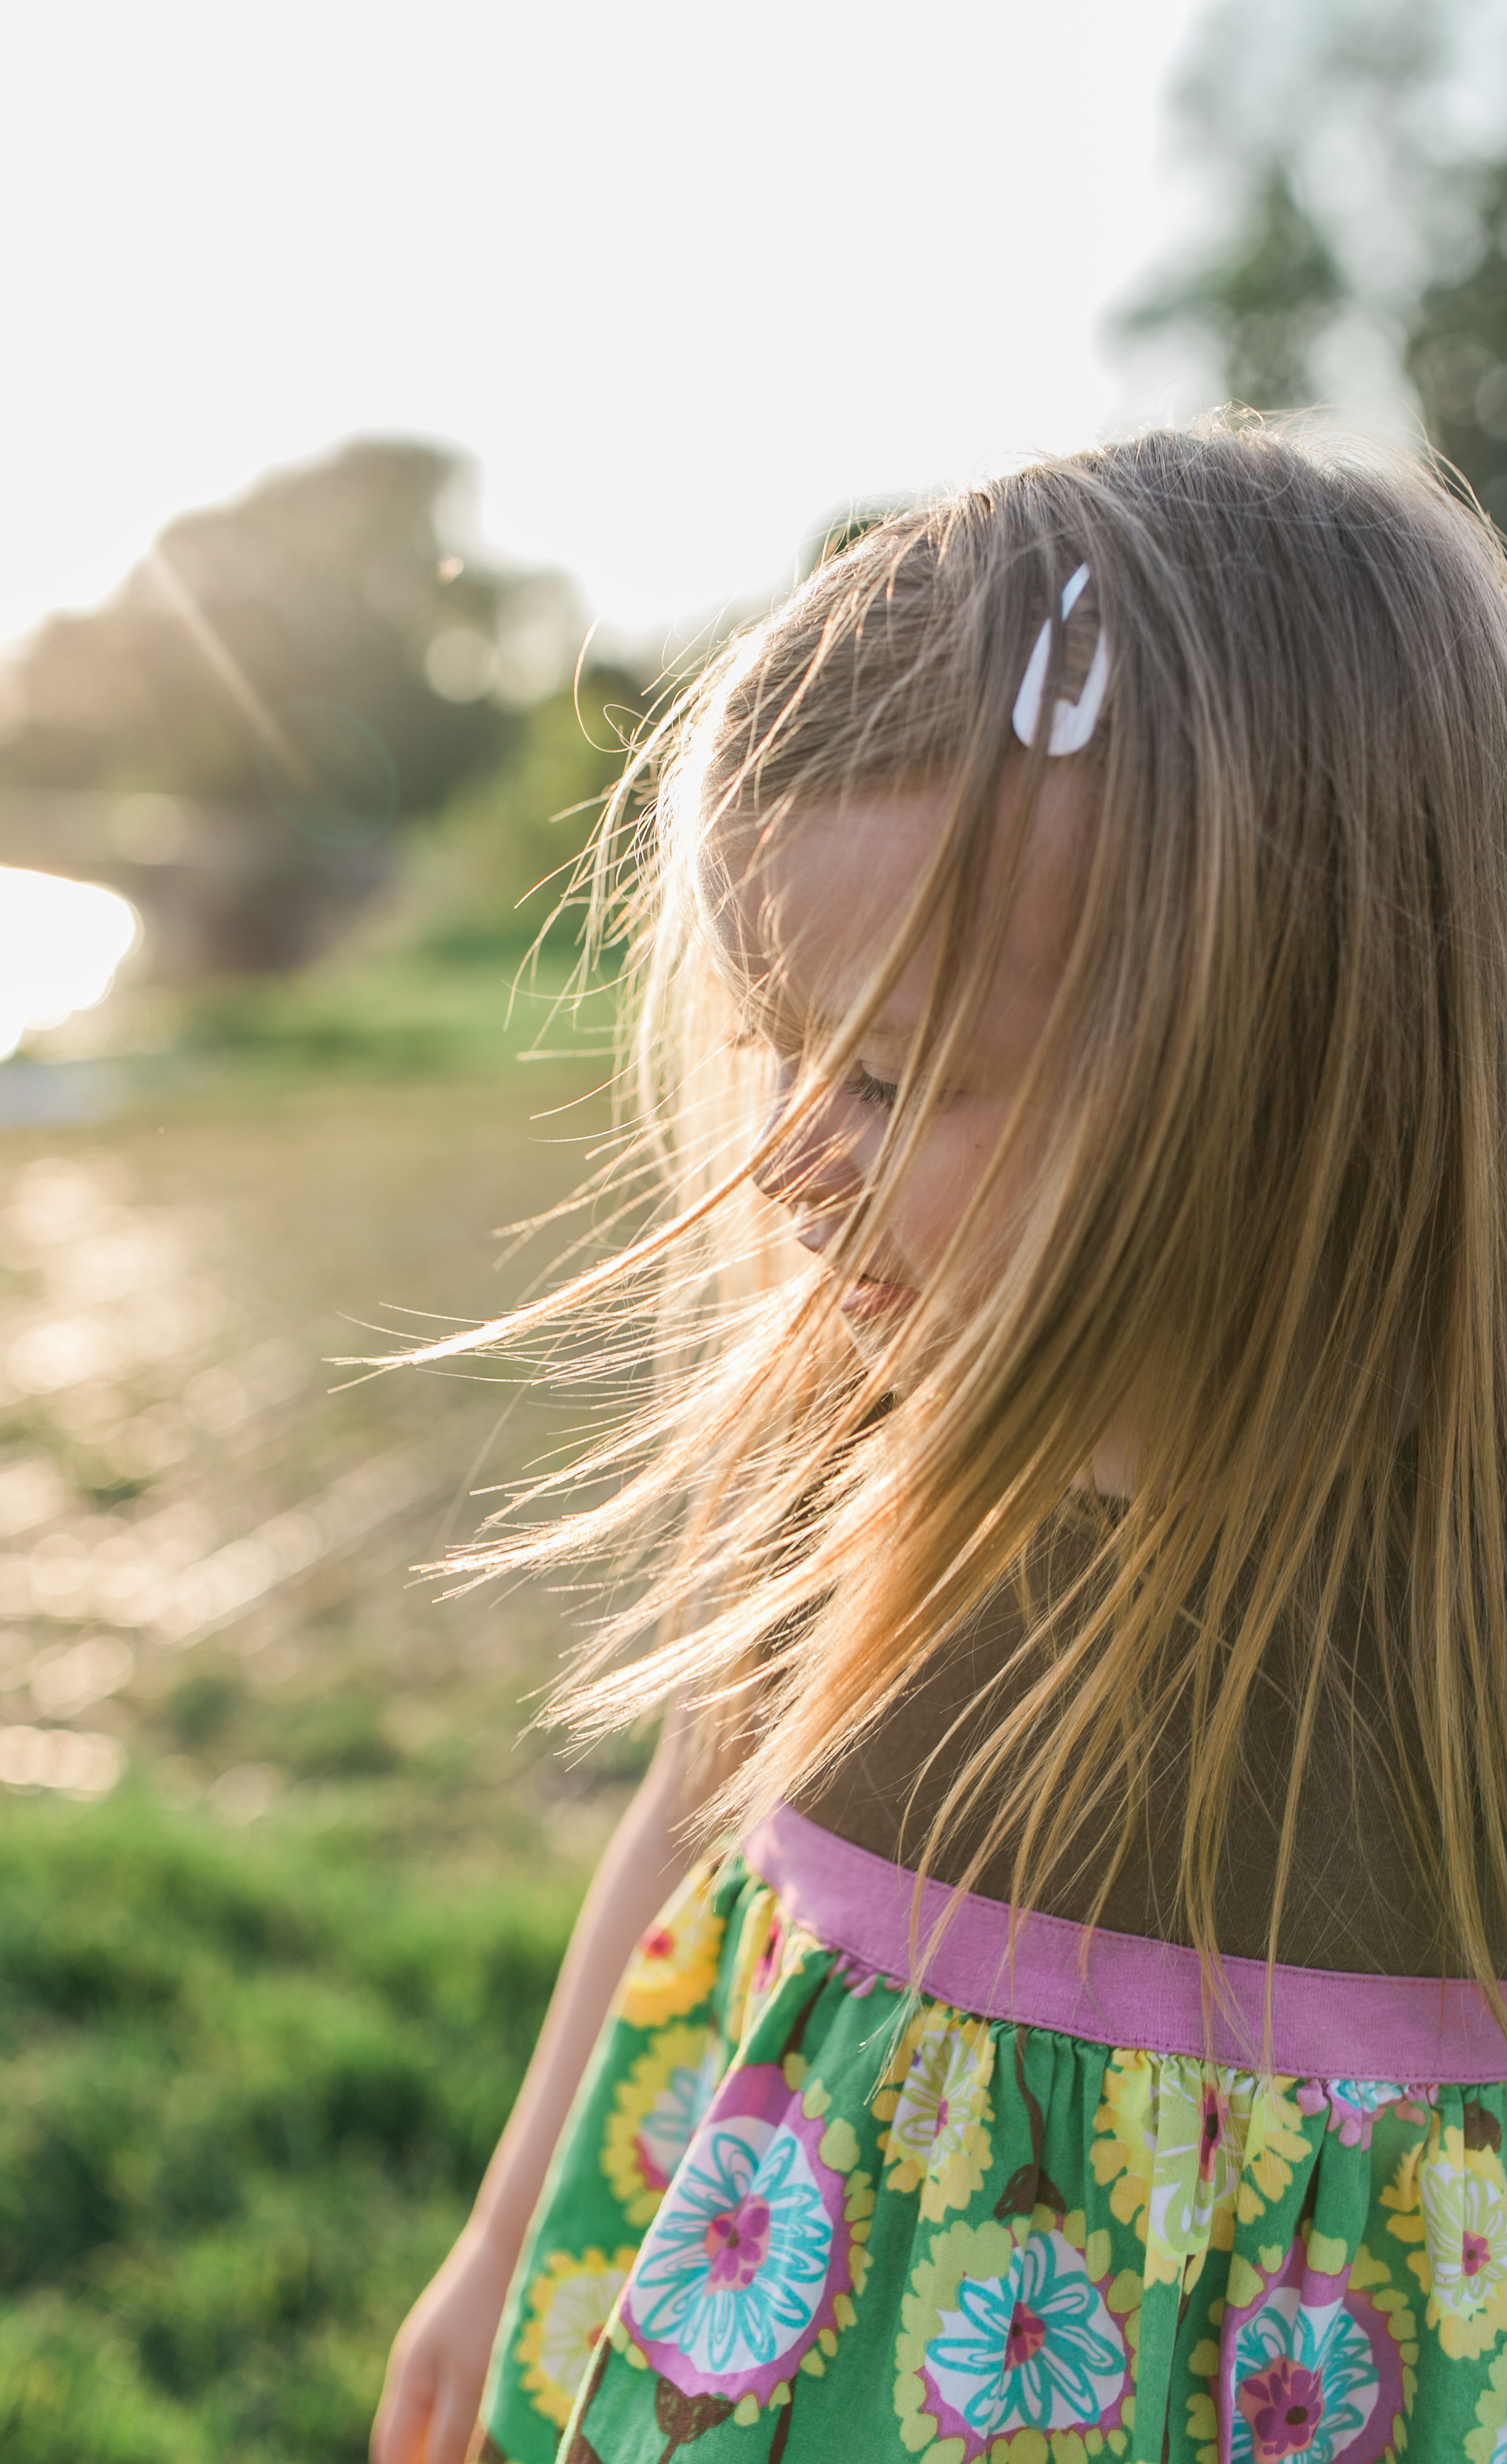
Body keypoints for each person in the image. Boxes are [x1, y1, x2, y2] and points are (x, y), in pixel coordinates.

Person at [372, 417, 1507, 2464]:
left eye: (892, 1073)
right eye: (783, 1048)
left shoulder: (1457, 1590)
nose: (795, 1163)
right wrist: (494, 2232)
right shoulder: (855, 1439)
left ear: (1278, 1060)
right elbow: (675, 1838)